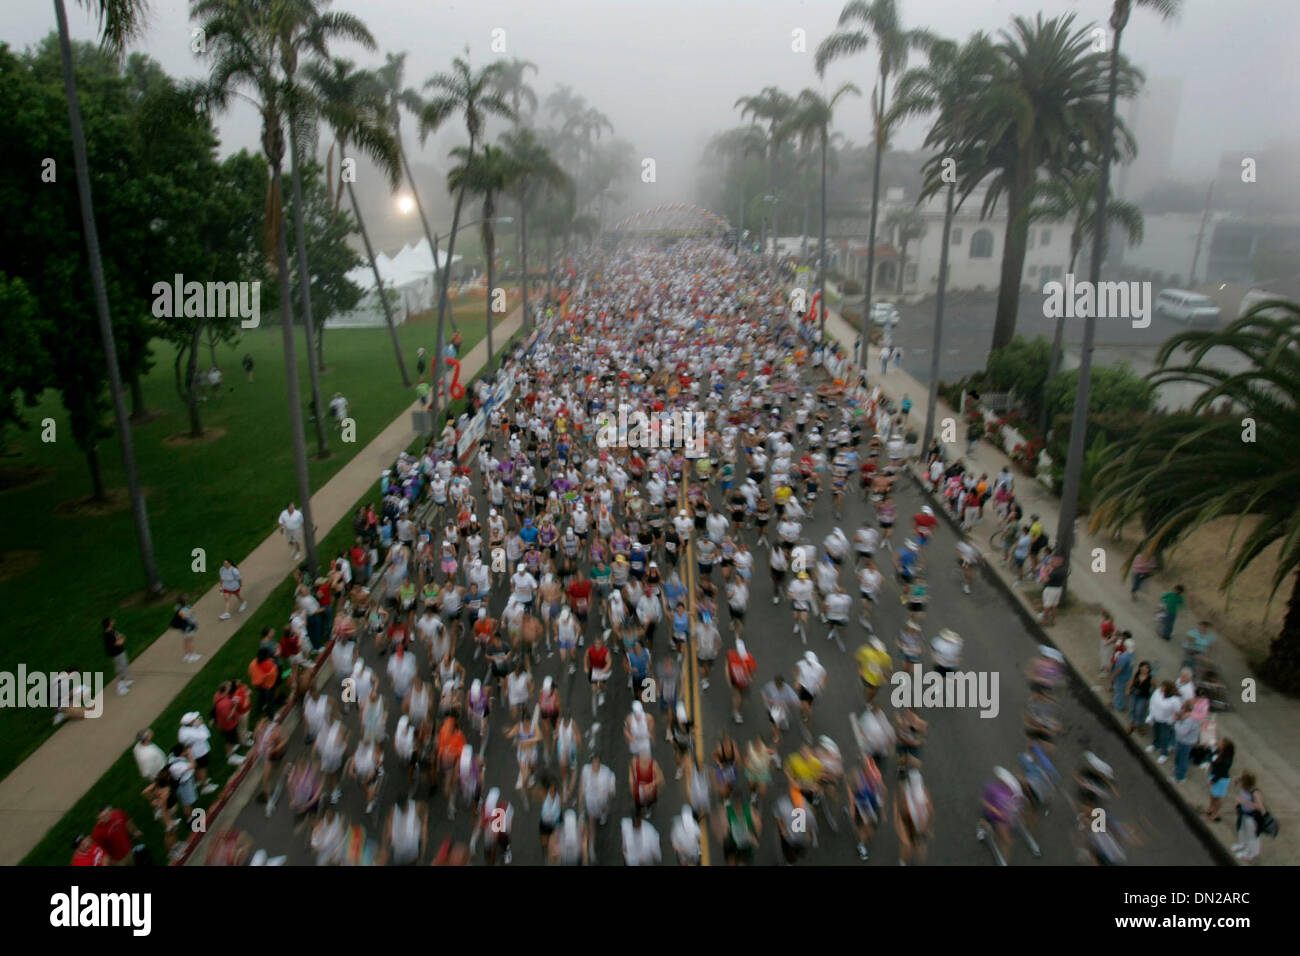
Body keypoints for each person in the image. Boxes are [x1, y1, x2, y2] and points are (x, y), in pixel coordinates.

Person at [1233, 773, 1268, 862]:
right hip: (1244, 813)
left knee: (1252, 835)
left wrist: (1244, 802)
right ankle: (1243, 844)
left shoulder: (1255, 792)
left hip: (1252, 817)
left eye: (1242, 781)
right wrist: (1238, 778)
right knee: (1242, 830)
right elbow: (1236, 778)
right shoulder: (1244, 787)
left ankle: (1251, 853)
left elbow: (1259, 806)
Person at [1204, 737, 1235, 823]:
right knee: (1213, 793)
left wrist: (1213, 780)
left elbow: (1221, 772)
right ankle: (1211, 808)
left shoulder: (1227, 760)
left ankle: (1216, 813)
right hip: (1214, 774)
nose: (1219, 744)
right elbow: (1212, 757)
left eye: (1221, 743)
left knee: (1218, 797)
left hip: (1221, 780)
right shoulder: (1218, 752)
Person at [101, 617, 132, 697]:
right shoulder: (108, 634)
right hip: (117, 654)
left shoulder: (112, 630)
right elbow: (118, 643)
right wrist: (123, 639)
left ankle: (124, 681)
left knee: (124, 666)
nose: (113, 621)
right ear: (109, 623)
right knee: (120, 668)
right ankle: (120, 688)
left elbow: (119, 636)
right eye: (111, 620)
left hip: (120, 652)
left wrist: (121, 638)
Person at [172, 595, 200, 663]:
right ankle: (192, 655)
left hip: (183, 627)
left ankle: (187, 655)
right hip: (189, 627)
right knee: (190, 641)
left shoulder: (177, 608)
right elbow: (191, 618)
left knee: (186, 641)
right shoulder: (187, 608)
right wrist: (195, 624)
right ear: (185, 601)